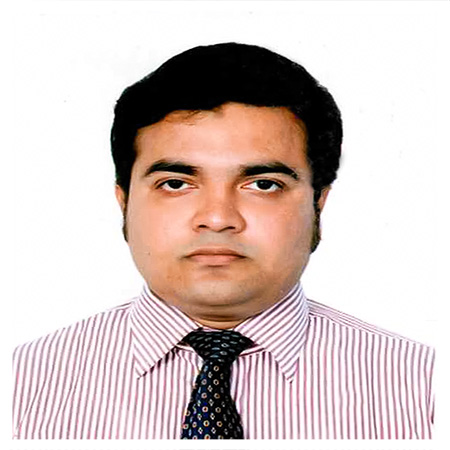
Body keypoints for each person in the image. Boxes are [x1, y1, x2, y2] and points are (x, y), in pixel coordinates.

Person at [13, 42, 434, 440]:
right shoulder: (21, 385)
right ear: (124, 203)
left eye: (263, 185)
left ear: (318, 204)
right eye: (176, 183)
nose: (217, 219)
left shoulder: (423, 388)